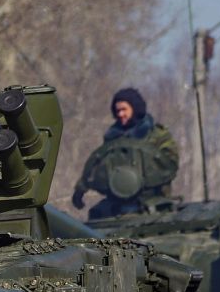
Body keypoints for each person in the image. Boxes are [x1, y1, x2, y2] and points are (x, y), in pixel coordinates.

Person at [71, 86, 181, 214]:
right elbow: (97, 164)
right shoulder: (112, 138)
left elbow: (170, 163)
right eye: (117, 111)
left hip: (153, 200)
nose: (120, 114)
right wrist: (80, 190)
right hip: (116, 204)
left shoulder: (157, 135)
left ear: (135, 108)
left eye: (124, 109)